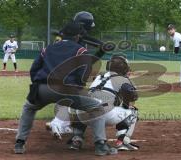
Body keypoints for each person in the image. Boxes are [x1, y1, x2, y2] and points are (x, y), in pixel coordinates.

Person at [14, 12, 116, 156]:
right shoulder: (80, 50)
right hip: (67, 90)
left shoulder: (48, 48)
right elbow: (83, 72)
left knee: (29, 108)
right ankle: (100, 145)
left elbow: (34, 69)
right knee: (97, 108)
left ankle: (19, 143)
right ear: (77, 36)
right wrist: (77, 89)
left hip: (43, 89)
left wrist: (37, 86)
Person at [48, 54, 139, 153]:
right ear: (124, 67)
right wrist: (126, 103)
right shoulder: (122, 79)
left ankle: (76, 140)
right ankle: (122, 142)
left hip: (80, 114)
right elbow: (131, 95)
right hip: (104, 113)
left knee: (84, 108)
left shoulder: (100, 76)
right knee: (133, 112)